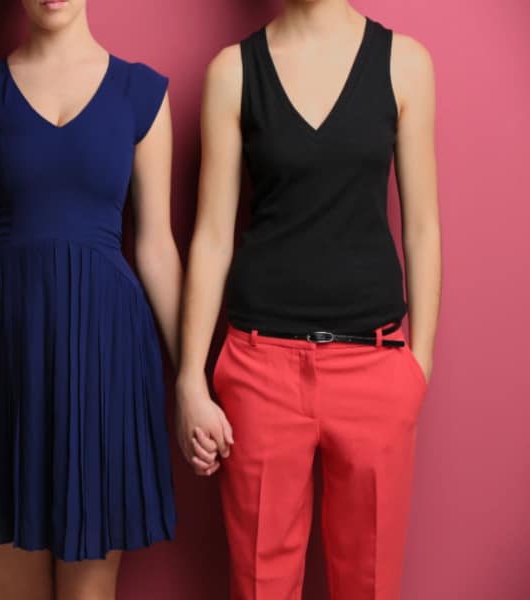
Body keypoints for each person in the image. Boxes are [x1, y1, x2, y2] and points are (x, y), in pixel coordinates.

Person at [0, 0, 181, 598]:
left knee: (92, 589)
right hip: (4, 351)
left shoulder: (141, 93)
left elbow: (157, 249)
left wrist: (195, 380)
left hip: (106, 354)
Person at [176, 0, 441, 598]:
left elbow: (423, 226)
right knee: (260, 586)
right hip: (259, 369)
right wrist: (191, 379)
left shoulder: (405, 64)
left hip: (375, 365)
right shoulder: (232, 72)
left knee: (370, 585)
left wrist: (418, 364)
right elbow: (212, 237)